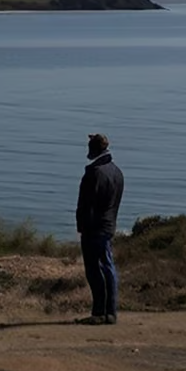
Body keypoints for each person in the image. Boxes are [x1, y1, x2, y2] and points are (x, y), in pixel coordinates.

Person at [75, 133, 124, 325]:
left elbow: (86, 204)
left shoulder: (94, 173)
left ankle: (98, 312)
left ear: (94, 149)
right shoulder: (117, 172)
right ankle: (110, 312)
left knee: (94, 270)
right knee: (108, 267)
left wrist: (82, 226)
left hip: (93, 227)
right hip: (109, 225)